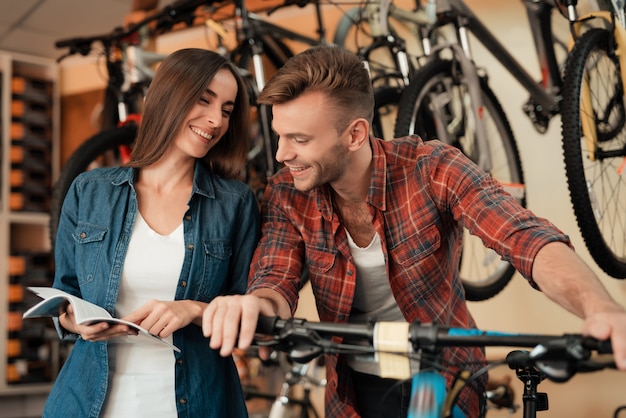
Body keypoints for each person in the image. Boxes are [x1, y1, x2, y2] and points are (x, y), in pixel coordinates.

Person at [202, 45, 626, 417]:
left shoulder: (432, 168)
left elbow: (525, 238)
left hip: (440, 375)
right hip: (350, 388)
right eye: (279, 136)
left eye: (299, 139)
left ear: (355, 134)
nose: (282, 154)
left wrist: (600, 309)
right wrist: (256, 306)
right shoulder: (288, 194)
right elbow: (275, 279)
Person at [44, 48, 260, 417]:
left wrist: (191, 310)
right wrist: (73, 321)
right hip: (89, 403)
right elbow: (64, 296)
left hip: (199, 403)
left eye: (226, 110)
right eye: (204, 101)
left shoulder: (235, 202)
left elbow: (247, 313)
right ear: (168, 97)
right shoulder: (89, 191)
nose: (215, 120)